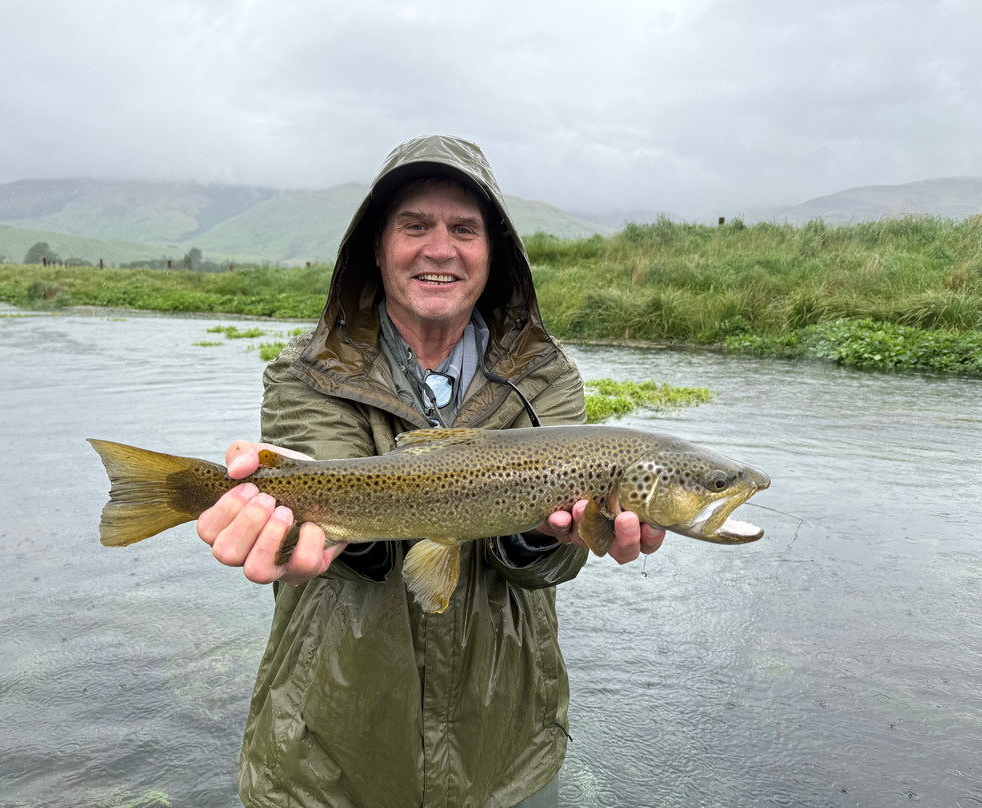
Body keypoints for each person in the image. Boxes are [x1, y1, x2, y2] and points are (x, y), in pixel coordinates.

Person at [197, 135, 666, 808]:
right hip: (329, 754)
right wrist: (320, 522)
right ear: (378, 247)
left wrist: (551, 538)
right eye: (415, 225)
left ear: (492, 252)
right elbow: (336, 502)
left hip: (503, 753)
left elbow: (551, 567)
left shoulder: (548, 380)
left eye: (464, 230)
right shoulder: (306, 375)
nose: (440, 248)